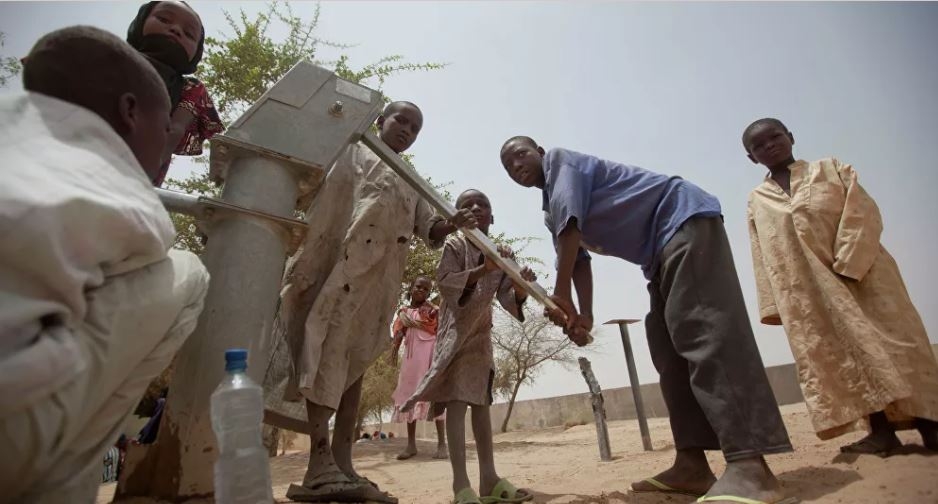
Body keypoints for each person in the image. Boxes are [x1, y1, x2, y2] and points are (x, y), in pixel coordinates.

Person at [499, 136, 796, 504]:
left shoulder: (561, 163)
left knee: (704, 332)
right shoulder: (550, 211)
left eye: (520, 155)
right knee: (666, 346)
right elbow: (576, 259)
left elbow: (570, 234)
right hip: (658, 256)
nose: (516, 166)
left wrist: (561, 299)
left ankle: (751, 467)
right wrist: (583, 314)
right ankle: (691, 465)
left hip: (683, 219)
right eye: (508, 166)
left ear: (540, 152)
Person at [0, 26, 209, 503]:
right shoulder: (101, 166)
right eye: (163, 132)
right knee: (184, 270)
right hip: (11, 424)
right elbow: (148, 244)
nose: (164, 147)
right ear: (129, 110)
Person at [262, 101, 476, 503]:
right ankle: (318, 464)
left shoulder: (412, 180)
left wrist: (454, 223)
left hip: (379, 287)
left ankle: (342, 464)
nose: (407, 131)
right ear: (381, 121)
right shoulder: (350, 149)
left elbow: (429, 228)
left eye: (415, 128)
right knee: (326, 360)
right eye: (402, 121)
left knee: (355, 367)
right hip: (339, 276)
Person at [742, 117, 938, 455]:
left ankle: (931, 426)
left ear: (790, 136)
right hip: (810, 294)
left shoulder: (830, 169)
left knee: (900, 347)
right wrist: (775, 304)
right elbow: (762, 252)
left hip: (867, 278)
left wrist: (848, 264)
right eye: (758, 145)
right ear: (751, 158)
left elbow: (862, 213)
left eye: (774, 136)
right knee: (845, 358)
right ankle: (880, 432)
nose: (769, 145)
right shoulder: (757, 199)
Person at [403, 189, 536, 504]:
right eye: (467, 205)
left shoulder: (503, 253)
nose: (476, 208)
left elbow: (509, 298)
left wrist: (521, 283)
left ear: (493, 215)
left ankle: (489, 479)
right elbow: (448, 285)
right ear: (458, 216)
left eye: (483, 204)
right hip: (456, 333)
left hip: (481, 335)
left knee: (481, 404)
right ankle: (461, 485)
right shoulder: (454, 244)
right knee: (458, 402)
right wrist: (483, 269)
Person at [127, 1, 224, 186]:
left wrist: (137, 177)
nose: (176, 30)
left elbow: (173, 131)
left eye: (189, 34)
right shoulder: (107, 57)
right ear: (141, 22)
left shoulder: (191, 89)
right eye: (163, 19)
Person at [389, 275, 448, 460]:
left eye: (425, 289)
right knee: (409, 397)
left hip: (430, 357)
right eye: (418, 287)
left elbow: (441, 331)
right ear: (411, 288)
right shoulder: (404, 312)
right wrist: (395, 345)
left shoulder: (433, 312)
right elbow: (398, 333)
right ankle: (411, 445)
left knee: (435, 396)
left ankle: (441, 445)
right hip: (411, 360)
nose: (421, 291)